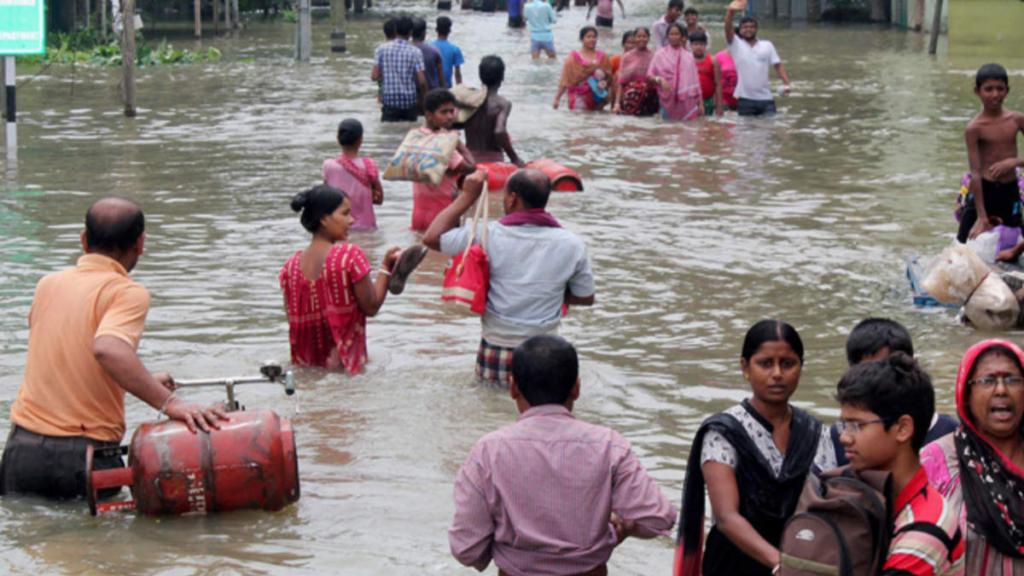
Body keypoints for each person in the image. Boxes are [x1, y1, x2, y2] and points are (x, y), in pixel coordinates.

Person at [0, 197, 227, 500]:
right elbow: (107, 349)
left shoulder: (47, 284)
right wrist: (170, 403)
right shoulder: (127, 292)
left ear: (83, 240)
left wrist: (142, 381)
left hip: (21, 453)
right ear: (140, 244)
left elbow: (67, 360)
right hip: (82, 459)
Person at [448, 335, 677, 575]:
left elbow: (466, 549)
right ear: (576, 388)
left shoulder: (488, 451)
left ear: (513, 387)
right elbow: (660, 518)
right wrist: (625, 527)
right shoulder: (609, 446)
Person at [675, 320, 837, 576]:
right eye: (765, 363)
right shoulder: (723, 433)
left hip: (800, 561)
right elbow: (727, 517)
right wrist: (780, 564)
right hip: (733, 565)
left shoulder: (815, 433)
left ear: (800, 367)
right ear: (745, 367)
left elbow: (825, 504)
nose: (777, 374)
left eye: (787, 364)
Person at [423, 169, 595, 386]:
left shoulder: (486, 235)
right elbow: (586, 297)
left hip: (497, 349)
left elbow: (432, 237)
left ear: (513, 199)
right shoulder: (572, 244)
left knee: (491, 414)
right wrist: (553, 292)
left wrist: (467, 196)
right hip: (547, 353)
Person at [836, 353, 965, 576]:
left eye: (857, 426)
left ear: (903, 428)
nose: (844, 438)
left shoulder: (925, 532)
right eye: (844, 425)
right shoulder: (879, 499)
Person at [922, 340, 1024, 575]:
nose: (1001, 390)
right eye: (988, 380)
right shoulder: (935, 462)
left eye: (1012, 379)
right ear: (966, 394)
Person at [279, 186, 401, 373]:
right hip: (346, 373)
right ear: (324, 219)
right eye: (345, 214)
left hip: (305, 375)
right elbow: (372, 306)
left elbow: (292, 321)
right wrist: (386, 267)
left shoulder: (289, 268)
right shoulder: (349, 256)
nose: (352, 221)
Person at [827, 318, 958, 467]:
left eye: (886, 371)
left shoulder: (951, 433)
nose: (875, 381)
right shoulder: (837, 434)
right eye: (865, 371)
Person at [959, 64, 1024, 245]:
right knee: (962, 245)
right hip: (983, 192)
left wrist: (1013, 162)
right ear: (977, 91)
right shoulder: (974, 128)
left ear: (1007, 90)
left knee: (1015, 242)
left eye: (1000, 89)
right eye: (988, 89)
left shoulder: (1016, 120)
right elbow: (976, 172)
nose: (995, 94)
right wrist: (981, 216)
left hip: (1010, 191)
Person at [411, 89, 477, 232]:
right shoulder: (444, 142)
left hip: (419, 214)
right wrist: (457, 142)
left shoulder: (416, 136)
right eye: (444, 112)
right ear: (429, 115)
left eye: (451, 111)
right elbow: (471, 167)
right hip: (442, 215)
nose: (449, 116)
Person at [724, 0, 790, 117]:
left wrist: (787, 84)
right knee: (746, 133)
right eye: (744, 27)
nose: (748, 29)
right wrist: (730, 12)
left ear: (757, 29)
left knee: (768, 131)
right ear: (739, 30)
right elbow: (727, 29)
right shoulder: (736, 45)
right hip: (745, 99)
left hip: (766, 99)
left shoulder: (767, 45)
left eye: (751, 27)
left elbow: (778, 66)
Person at [322, 119, 383, 232]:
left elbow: (326, 198)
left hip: (340, 229)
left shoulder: (328, 166)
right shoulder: (369, 165)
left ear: (338, 139)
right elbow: (379, 200)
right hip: (366, 229)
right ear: (361, 140)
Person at [463, 56, 525, 167]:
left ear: (480, 76)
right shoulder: (502, 103)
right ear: (502, 77)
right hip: (492, 161)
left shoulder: (469, 100)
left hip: (469, 160)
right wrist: (514, 158)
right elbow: (499, 131)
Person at [372, 16, 427, 122]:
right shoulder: (416, 52)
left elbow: (374, 76)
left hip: (389, 101)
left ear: (395, 30)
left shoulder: (381, 49)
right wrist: (425, 99)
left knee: (389, 134)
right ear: (411, 33)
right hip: (409, 101)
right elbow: (422, 81)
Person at [648, 23, 703, 121]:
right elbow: (649, 77)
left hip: (687, 101)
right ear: (667, 36)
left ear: (682, 37)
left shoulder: (689, 56)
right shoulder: (659, 55)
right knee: (668, 131)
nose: (673, 37)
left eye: (676, 34)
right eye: (671, 34)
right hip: (667, 98)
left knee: (687, 131)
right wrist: (660, 79)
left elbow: (695, 82)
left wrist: (700, 102)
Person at [553, 27, 614, 111]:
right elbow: (565, 79)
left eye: (594, 37)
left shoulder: (603, 57)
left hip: (597, 95)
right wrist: (557, 98)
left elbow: (609, 78)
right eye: (588, 37)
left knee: (595, 120)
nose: (592, 39)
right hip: (578, 96)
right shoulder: (574, 58)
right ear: (582, 39)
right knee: (579, 121)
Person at [611, 27, 659, 116]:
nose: (641, 39)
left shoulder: (654, 56)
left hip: (650, 96)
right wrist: (617, 104)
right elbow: (621, 82)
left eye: (644, 36)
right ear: (635, 38)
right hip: (631, 97)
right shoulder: (627, 57)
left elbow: (658, 80)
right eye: (639, 36)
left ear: (648, 38)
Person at [690, 31, 722, 116]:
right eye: (696, 44)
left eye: (701, 44)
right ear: (691, 46)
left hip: (708, 101)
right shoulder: (687, 61)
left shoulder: (713, 61)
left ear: (705, 46)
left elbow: (718, 84)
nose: (699, 47)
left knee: (707, 126)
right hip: (691, 100)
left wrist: (719, 106)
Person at [412, 18, 446, 92]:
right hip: (431, 93)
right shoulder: (434, 51)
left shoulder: (406, 51)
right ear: (424, 33)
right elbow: (441, 77)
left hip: (412, 93)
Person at [432, 16, 465, 87]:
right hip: (447, 89)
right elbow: (457, 74)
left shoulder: (429, 47)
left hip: (430, 88)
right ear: (449, 31)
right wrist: (460, 89)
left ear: (436, 30)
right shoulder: (455, 49)